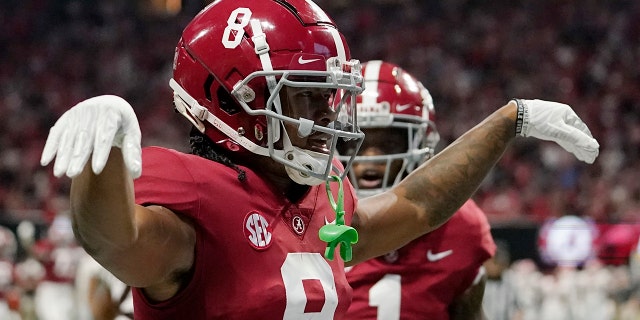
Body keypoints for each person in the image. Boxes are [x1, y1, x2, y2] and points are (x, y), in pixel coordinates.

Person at [39, 0, 599, 318]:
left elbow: (417, 203)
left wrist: (508, 122)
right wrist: (101, 164)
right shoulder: (196, 206)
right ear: (237, 103)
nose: (328, 118)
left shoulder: (317, 197)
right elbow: (114, 239)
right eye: (306, 97)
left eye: (330, 96)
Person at [338, 60, 496, 320]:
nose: (371, 161)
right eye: (356, 141)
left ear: (422, 144)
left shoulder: (461, 224)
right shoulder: (313, 213)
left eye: (389, 143)